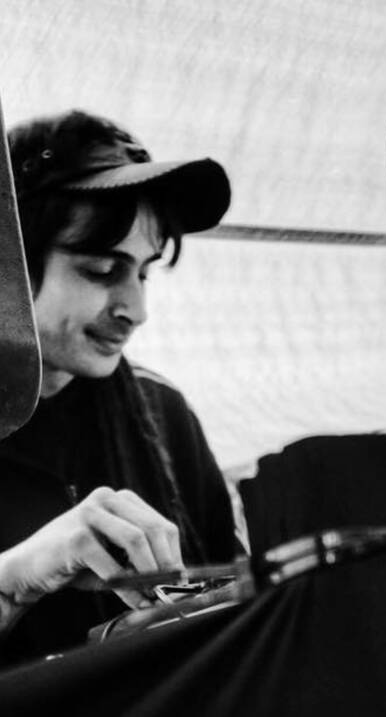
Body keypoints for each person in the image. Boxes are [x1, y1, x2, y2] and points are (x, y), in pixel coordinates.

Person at [0, 109, 237, 665]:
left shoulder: (162, 413)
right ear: (10, 264)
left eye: (144, 272)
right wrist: (12, 583)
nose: (136, 309)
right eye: (103, 270)